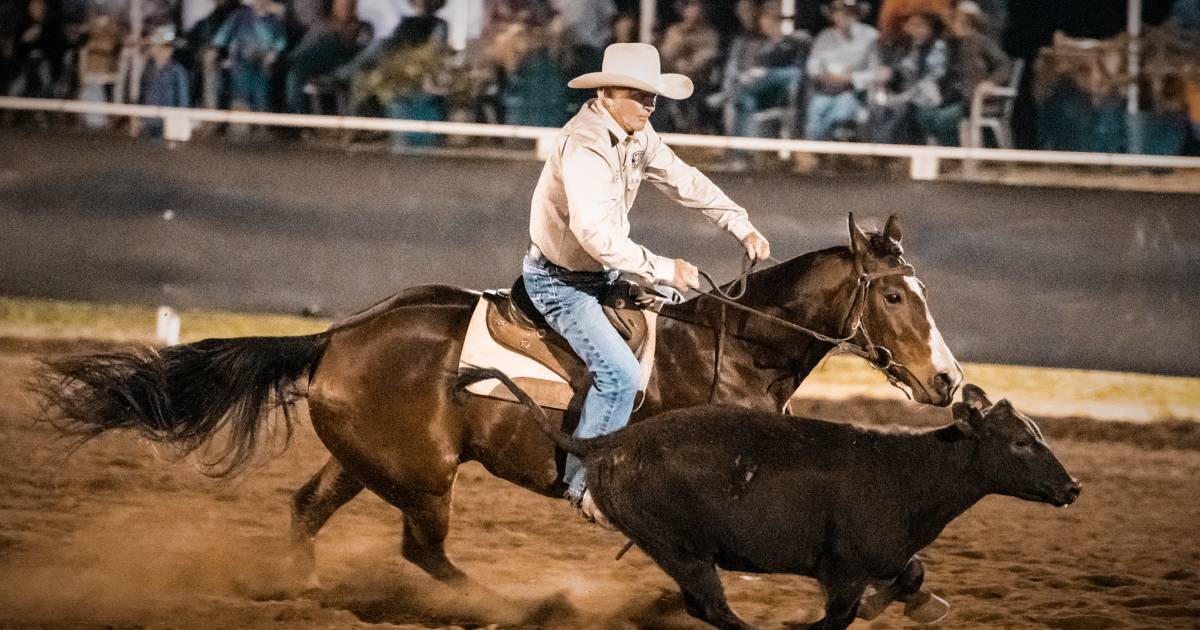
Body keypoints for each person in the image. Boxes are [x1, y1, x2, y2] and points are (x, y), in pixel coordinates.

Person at [523, 42, 771, 525]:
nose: (651, 105)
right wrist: (661, 267)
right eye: (641, 95)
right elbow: (592, 233)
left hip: (600, 275)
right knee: (620, 376)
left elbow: (683, 178)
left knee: (680, 326)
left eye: (654, 97)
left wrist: (739, 223)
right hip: (560, 283)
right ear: (609, 92)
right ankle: (583, 485)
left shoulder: (637, 133)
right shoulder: (587, 144)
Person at [864, 10, 948, 144]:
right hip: (905, 92)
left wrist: (900, 80)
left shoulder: (938, 47)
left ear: (931, 29)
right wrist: (891, 74)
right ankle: (875, 148)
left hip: (929, 93)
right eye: (912, 25)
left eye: (920, 26)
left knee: (902, 109)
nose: (915, 30)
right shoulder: (905, 46)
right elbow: (901, 71)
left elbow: (933, 75)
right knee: (878, 107)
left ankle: (886, 151)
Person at [804, 0, 878, 141]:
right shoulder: (825, 36)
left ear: (856, 15)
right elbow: (813, 66)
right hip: (826, 89)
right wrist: (823, 76)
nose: (842, 17)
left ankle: (837, 153)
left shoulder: (870, 36)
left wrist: (850, 78)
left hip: (854, 91)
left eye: (848, 13)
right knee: (816, 111)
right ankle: (815, 154)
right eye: (838, 13)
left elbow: (876, 71)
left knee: (843, 108)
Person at [211, 0, 288, 113]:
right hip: (240, 63)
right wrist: (214, 48)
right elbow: (222, 35)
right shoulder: (240, 16)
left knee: (260, 96)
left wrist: (272, 54)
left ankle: (260, 122)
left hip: (261, 65)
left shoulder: (273, 21)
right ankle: (240, 120)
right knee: (240, 94)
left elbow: (280, 42)